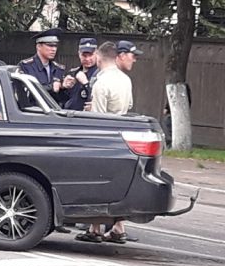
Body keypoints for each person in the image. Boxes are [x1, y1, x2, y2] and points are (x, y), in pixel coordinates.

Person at [76, 41, 142, 244]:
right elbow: (128, 106)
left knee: (96, 183)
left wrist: (88, 112)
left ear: (98, 57)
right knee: (115, 184)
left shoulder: (101, 83)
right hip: (122, 138)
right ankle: (116, 227)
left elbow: (98, 118)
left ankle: (95, 228)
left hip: (104, 139)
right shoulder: (125, 80)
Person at [17, 28, 67, 105]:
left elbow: (63, 100)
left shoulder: (59, 69)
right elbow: (24, 94)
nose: (54, 49)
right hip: (33, 112)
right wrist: (51, 87)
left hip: (54, 113)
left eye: (55, 46)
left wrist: (64, 87)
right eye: (50, 46)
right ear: (39, 46)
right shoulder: (26, 66)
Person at [62, 37, 98, 111]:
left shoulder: (100, 75)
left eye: (90, 55)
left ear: (96, 54)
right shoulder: (72, 73)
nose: (87, 59)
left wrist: (86, 84)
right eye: (84, 55)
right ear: (79, 54)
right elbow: (63, 100)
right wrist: (63, 87)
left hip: (86, 118)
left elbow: (98, 99)